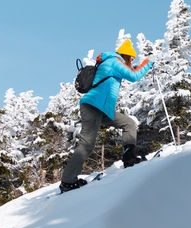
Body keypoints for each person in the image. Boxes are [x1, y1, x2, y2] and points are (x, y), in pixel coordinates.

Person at [59, 39, 154, 192]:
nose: (132, 61)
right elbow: (134, 76)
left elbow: (127, 72)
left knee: (128, 123)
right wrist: (148, 62)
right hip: (93, 106)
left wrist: (139, 66)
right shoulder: (114, 61)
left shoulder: (112, 63)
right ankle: (67, 181)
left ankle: (129, 157)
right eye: (132, 59)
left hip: (102, 109)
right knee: (86, 144)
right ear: (128, 56)